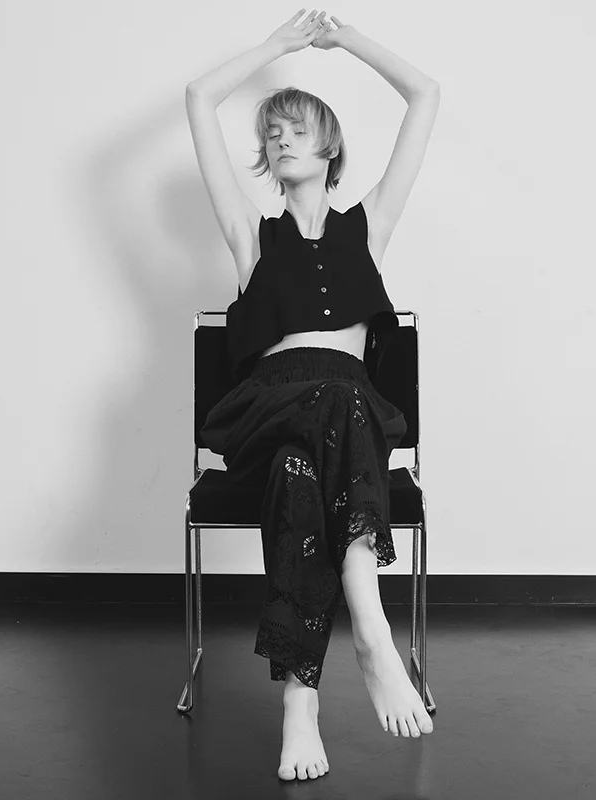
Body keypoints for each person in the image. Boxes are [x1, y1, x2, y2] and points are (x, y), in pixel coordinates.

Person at [184, 9, 440, 782]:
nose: (281, 140)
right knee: (330, 401)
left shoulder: (369, 228)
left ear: (330, 147)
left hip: (332, 426)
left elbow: (425, 95)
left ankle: (301, 700)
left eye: (298, 129)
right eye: (272, 134)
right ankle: (370, 627)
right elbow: (199, 97)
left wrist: (345, 40)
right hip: (268, 408)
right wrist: (277, 46)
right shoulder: (250, 236)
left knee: (304, 465)